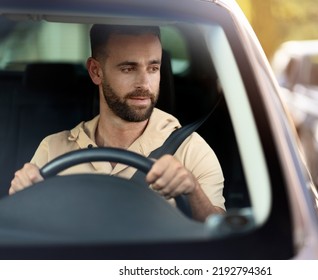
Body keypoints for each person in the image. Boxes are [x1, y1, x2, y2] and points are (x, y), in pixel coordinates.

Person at [9, 24, 225, 222]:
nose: (144, 84)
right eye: (128, 68)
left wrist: (192, 190)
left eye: (153, 68)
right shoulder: (53, 149)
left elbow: (221, 233)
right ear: (96, 71)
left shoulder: (191, 150)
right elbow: (24, 229)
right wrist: (19, 196)